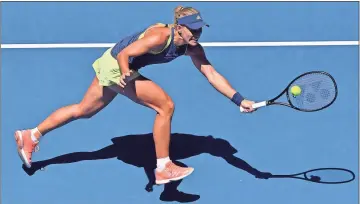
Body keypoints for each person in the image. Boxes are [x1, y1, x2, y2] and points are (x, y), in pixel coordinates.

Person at [14, 5, 255, 185]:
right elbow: (125, 53)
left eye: (199, 29)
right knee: (165, 106)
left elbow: (211, 73)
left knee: (83, 110)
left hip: (115, 63)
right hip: (117, 65)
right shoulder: (161, 36)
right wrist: (126, 73)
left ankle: (31, 134)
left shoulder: (192, 48)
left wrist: (239, 99)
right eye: (192, 30)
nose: (197, 34)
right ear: (179, 28)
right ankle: (163, 167)